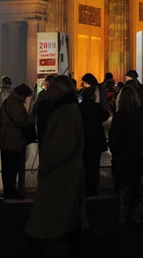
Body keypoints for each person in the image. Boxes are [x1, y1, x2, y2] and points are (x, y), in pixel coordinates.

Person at [25, 75, 88, 254]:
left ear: (59, 91)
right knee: (66, 219)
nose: (48, 91)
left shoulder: (64, 111)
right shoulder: (68, 109)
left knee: (51, 219)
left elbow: (62, 147)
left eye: (51, 88)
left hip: (59, 175)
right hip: (64, 174)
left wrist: (46, 165)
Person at [108, 83, 143, 225]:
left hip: (123, 157)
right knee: (139, 189)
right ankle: (139, 216)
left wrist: (115, 151)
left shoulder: (119, 116)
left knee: (124, 189)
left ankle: (123, 216)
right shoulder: (142, 113)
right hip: (140, 155)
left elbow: (114, 139)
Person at [0, 83, 35, 200]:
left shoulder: (9, 102)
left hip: (7, 140)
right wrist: (33, 120)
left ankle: (9, 191)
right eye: (25, 96)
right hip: (13, 140)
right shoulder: (15, 104)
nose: (26, 99)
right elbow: (21, 121)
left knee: (8, 169)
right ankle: (11, 192)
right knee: (12, 169)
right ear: (21, 94)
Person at [78, 85, 110, 197]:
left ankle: (85, 187)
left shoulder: (79, 107)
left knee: (84, 164)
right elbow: (105, 115)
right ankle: (94, 188)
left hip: (83, 139)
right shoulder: (97, 107)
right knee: (94, 166)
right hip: (96, 139)